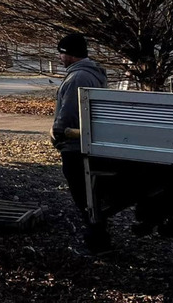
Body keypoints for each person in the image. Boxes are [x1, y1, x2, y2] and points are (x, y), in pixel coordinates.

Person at [51, 33, 109, 252]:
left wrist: (58, 133)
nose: (60, 57)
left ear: (70, 54)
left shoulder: (78, 78)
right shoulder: (92, 73)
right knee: (90, 194)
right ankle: (98, 237)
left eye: (62, 53)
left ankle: (97, 241)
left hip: (75, 144)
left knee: (83, 195)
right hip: (86, 141)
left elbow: (69, 112)